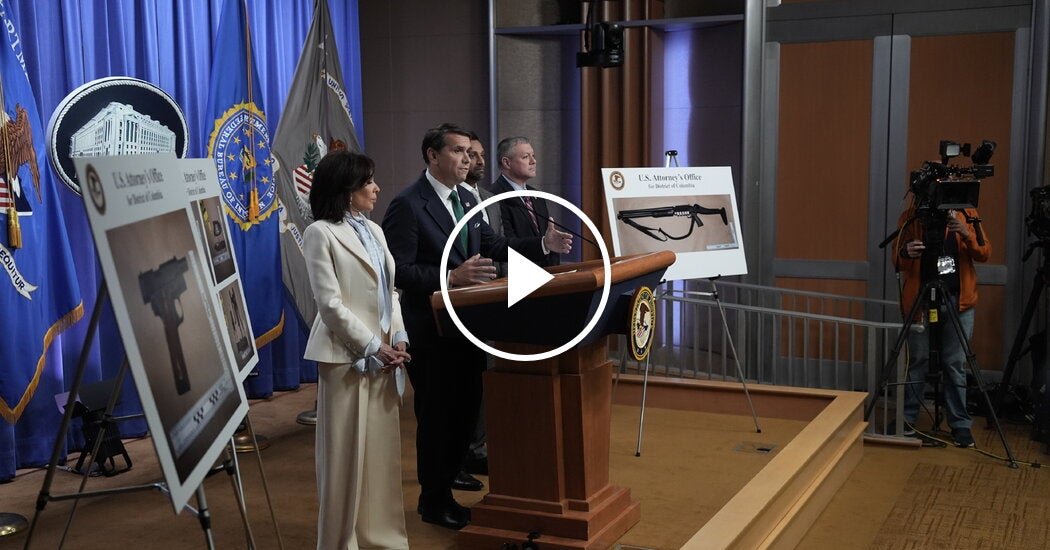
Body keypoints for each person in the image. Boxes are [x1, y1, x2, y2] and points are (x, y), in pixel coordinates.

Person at [381, 124, 571, 530]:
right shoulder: (408, 204)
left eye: (469, 152)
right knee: (438, 416)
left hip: (469, 325)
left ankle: (449, 485)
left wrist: (542, 246)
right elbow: (398, 271)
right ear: (432, 156)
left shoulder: (467, 198)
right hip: (430, 329)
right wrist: (450, 277)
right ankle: (433, 500)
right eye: (458, 151)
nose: (467, 159)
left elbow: (493, 246)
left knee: (466, 413)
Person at [303, 150, 412, 549]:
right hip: (345, 358)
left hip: (385, 357)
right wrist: (370, 345)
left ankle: (381, 538)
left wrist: (398, 337)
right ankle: (340, 542)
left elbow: (390, 292)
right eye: (368, 182)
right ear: (346, 189)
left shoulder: (375, 231)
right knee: (344, 459)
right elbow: (329, 304)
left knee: (380, 456)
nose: (376, 188)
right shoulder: (320, 233)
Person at [893, 205, 990, 448]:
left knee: (954, 364)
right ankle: (907, 419)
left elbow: (984, 253)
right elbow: (897, 260)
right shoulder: (912, 216)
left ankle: (960, 424)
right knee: (917, 360)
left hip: (958, 302)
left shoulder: (968, 214)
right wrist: (906, 252)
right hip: (921, 301)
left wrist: (965, 234)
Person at [489, 136, 560, 266]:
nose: (533, 161)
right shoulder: (494, 196)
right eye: (526, 157)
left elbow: (549, 237)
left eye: (533, 156)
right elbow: (504, 244)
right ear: (507, 163)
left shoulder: (536, 195)